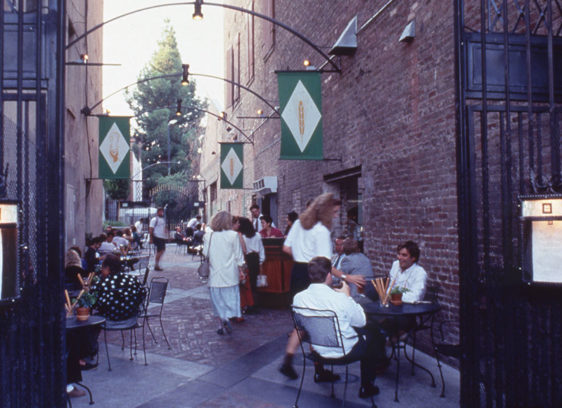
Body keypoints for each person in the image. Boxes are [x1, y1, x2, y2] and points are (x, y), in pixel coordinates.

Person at [293, 256, 384, 399]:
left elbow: (301, 326)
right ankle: (367, 387)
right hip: (344, 353)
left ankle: (320, 372)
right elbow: (361, 321)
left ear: (310, 275)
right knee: (372, 334)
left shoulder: (298, 298)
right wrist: (348, 296)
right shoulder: (340, 299)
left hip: (317, 351)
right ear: (329, 275)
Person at [280, 192, 343, 381]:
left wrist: (301, 257)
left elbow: (286, 248)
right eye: (334, 212)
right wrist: (344, 277)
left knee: (302, 320)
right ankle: (319, 370)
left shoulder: (299, 223)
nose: (336, 216)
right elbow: (325, 263)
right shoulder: (321, 231)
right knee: (317, 321)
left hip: (297, 273)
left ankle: (288, 361)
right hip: (314, 275)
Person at [203, 211, 245, 335]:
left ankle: (222, 322)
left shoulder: (209, 236)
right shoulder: (233, 235)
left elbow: (205, 253)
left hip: (215, 275)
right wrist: (241, 270)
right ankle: (227, 318)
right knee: (230, 301)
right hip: (230, 275)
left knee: (218, 303)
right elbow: (239, 256)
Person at [381, 241, 428, 336]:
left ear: (413, 258)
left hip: (409, 312)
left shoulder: (420, 273)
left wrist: (393, 296)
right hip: (392, 307)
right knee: (372, 317)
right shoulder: (395, 265)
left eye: (404, 255)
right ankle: (387, 339)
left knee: (387, 320)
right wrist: (389, 294)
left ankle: (392, 339)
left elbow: (415, 297)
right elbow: (390, 287)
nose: (399, 258)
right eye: (399, 254)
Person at [92, 254, 146, 321]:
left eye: (102, 268)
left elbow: (93, 303)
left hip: (107, 320)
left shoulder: (101, 284)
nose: (101, 271)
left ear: (107, 268)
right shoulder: (132, 279)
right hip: (130, 319)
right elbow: (142, 294)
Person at [238, 217, 265, 312]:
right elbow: (261, 249)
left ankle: (248, 304)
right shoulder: (257, 235)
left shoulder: (241, 237)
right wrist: (261, 261)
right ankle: (255, 304)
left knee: (246, 283)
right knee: (254, 283)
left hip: (247, 259)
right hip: (255, 259)